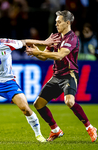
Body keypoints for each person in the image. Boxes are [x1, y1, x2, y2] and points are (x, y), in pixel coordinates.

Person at [25, 10, 97, 142]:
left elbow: (59, 55)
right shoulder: (55, 37)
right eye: (56, 22)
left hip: (69, 74)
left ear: (67, 23)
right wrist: (35, 52)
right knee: (38, 104)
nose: (56, 24)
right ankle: (55, 130)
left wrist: (38, 51)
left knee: (69, 101)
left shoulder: (72, 38)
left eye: (59, 22)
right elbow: (43, 57)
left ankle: (90, 127)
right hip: (57, 75)